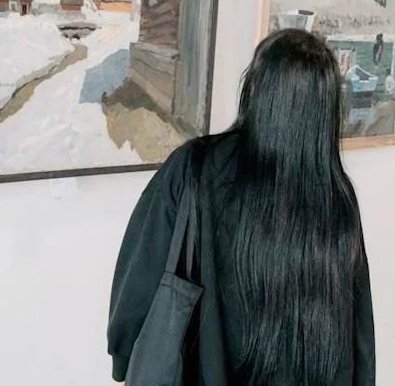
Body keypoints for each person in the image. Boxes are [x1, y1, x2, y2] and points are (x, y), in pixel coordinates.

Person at [108, 29, 375, 386]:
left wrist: (124, 357)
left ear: (255, 88)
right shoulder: (336, 195)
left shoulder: (195, 168)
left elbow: (141, 272)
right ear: (327, 107)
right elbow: (357, 327)